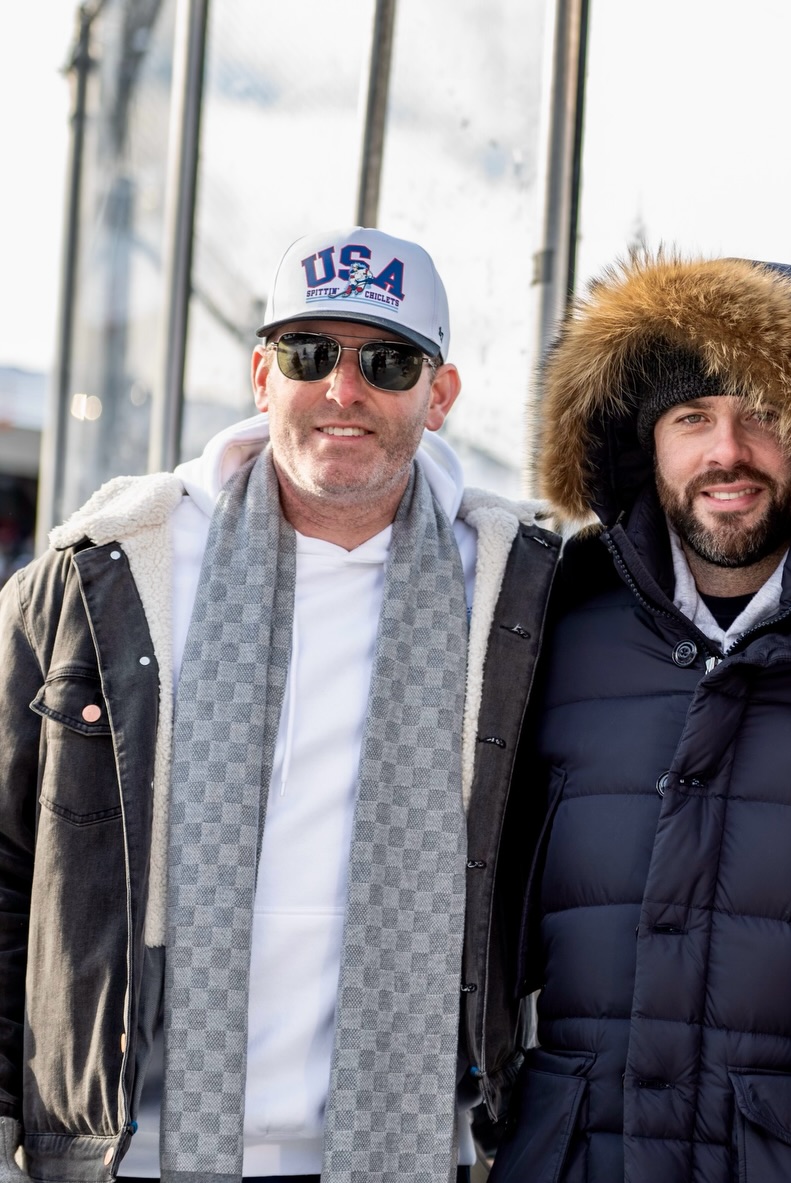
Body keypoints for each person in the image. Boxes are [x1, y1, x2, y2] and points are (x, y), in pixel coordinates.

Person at [0, 228, 559, 1183]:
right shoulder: (104, 574)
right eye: (309, 354)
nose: (344, 391)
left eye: (387, 361)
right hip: (130, 1153)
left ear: (441, 396)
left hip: (411, 1153)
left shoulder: (518, 593)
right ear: (262, 375)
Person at [487, 255, 791, 1183]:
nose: (727, 451)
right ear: (646, 438)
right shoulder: (546, 625)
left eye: (766, 414)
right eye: (692, 417)